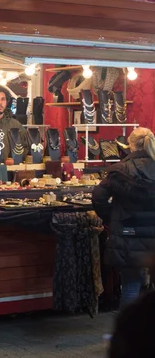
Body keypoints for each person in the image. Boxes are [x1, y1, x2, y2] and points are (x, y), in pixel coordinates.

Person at [93, 127, 155, 306]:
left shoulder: (120, 171)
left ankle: (128, 332)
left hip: (128, 233)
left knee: (130, 287)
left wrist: (112, 217)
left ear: (130, 145)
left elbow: (98, 197)